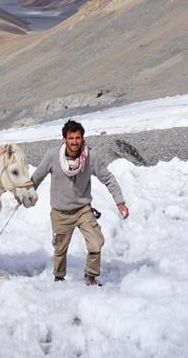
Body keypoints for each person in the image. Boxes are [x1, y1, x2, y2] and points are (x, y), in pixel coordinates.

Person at [30, 119, 129, 286]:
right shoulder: (52, 156)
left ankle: (90, 277)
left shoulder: (91, 157)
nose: (74, 142)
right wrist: (25, 194)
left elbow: (109, 179)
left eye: (77, 138)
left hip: (83, 210)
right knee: (60, 250)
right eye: (71, 138)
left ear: (82, 139)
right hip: (60, 212)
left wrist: (120, 202)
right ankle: (59, 278)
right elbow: (36, 178)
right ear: (64, 139)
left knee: (96, 243)